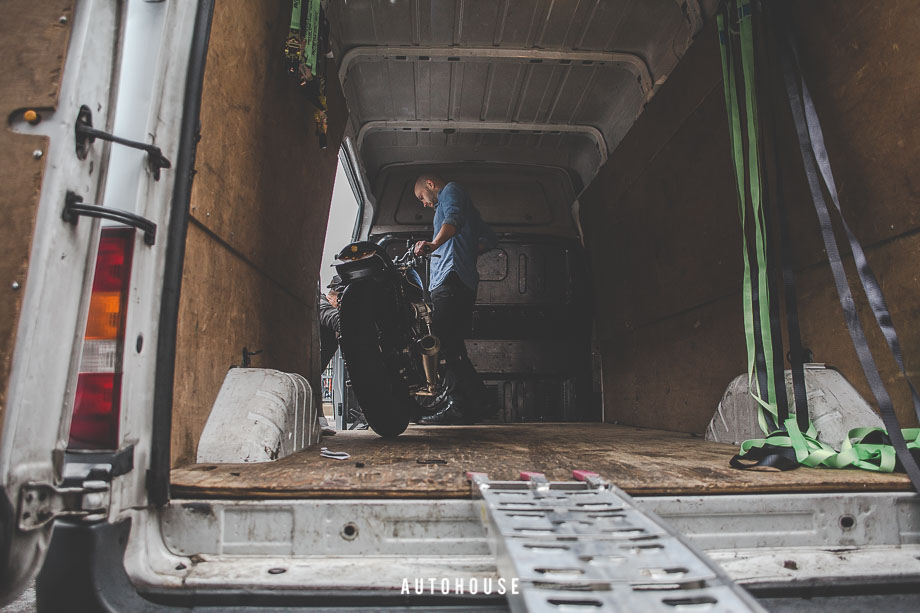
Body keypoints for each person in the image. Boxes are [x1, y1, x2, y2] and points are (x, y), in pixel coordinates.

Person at [413, 174, 498, 424]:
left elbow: (452, 220)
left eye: (421, 197)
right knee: (453, 346)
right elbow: (490, 239)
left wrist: (432, 244)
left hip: (450, 279)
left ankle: (459, 405)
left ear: (430, 184)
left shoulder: (450, 191)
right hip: (462, 282)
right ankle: (479, 403)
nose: (424, 204)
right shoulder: (467, 208)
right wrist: (468, 248)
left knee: (441, 344)